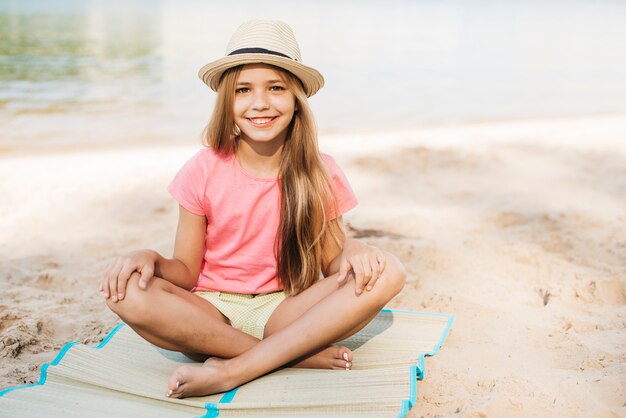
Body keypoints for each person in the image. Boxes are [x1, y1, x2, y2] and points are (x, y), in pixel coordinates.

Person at [100, 19, 405, 399]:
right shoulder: (203, 168)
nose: (260, 102)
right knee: (124, 290)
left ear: (296, 100)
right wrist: (148, 258)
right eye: (243, 90)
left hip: (286, 312)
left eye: (276, 88)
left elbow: (332, 263)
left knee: (389, 271)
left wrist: (355, 249)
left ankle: (235, 369)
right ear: (228, 102)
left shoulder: (319, 171)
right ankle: (290, 357)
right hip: (210, 316)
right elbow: (185, 271)